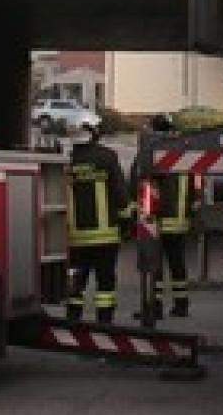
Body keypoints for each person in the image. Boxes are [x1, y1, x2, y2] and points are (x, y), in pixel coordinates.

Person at [65, 124, 131, 324]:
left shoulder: (66, 161)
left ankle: (73, 322)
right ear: (93, 136)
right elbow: (120, 193)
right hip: (106, 237)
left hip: (75, 238)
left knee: (76, 283)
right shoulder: (107, 157)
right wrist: (127, 223)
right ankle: (104, 323)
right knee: (105, 284)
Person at [136, 113, 196, 318]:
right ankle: (181, 305)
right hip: (180, 220)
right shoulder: (184, 151)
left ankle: (155, 306)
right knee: (178, 263)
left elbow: (141, 179)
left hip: (160, 220)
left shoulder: (154, 150)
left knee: (156, 265)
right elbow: (194, 184)